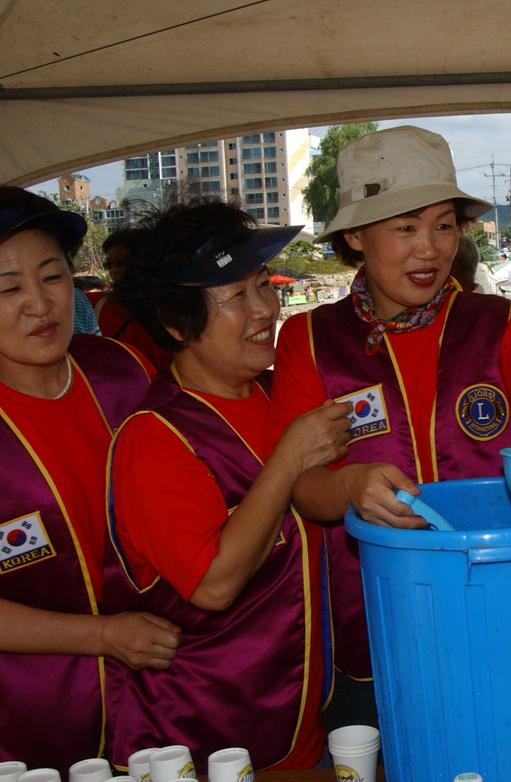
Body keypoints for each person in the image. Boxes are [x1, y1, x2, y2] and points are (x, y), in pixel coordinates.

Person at [268, 126, 511, 729]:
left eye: (444, 224)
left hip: (504, 605)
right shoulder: (310, 340)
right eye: (405, 227)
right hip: (376, 617)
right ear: (354, 236)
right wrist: (349, 488)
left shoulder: (493, 320)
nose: (430, 249)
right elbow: (300, 486)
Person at [104, 202, 351, 770]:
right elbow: (213, 586)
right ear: (175, 322)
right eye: (236, 297)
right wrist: (287, 462)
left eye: (263, 285)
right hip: (196, 740)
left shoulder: (279, 395)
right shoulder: (155, 437)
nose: (266, 308)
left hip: (294, 721)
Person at [0, 187, 179, 771]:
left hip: (158, 699)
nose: (38, 305)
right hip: (28, 720)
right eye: (7, 288)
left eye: (53, 278)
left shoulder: (120, 371)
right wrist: (101, 637)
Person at [92, 227, 174, 371]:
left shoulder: (173, 306)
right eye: (109, 265)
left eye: (121, 263)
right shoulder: (103, 307)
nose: (113, 271)